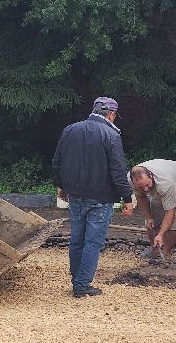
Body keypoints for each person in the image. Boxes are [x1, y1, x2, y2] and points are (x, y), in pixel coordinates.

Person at [50, 96, 132, 298]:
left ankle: (76, 279)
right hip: (100, 197)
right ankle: (82, 285)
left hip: (75, 194)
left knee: (77, 239)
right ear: (111, 115)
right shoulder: (111, 135)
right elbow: (118, 170)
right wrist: (127, 198)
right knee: (92, 242)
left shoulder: (70, 130)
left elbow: (57, 162)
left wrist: (61, 186)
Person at [128, 159, 176, 263]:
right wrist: (148, 217)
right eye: (141, 187)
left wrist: (160, 234)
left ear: (151, 176)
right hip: (161, 186)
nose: (146, 189)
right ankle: (154, 249)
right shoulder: (131, 180)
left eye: (147, 185)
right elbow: (141, 198)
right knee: (153, 220)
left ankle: (166, 253)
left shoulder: (165, 182)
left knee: (174, 221)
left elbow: (170, 211)